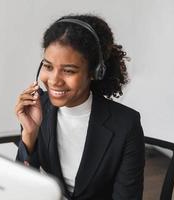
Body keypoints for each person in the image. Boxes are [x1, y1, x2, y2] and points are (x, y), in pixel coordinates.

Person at [15, 14, 145, 200]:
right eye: (48, 66)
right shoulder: (37, 108)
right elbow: (23, 188)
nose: (54, 81)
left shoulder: (125, 124)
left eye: (68, 71)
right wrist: (29, 135)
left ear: (95, 72)